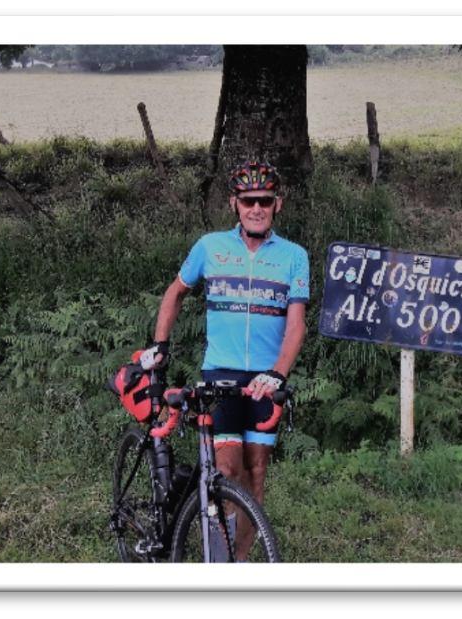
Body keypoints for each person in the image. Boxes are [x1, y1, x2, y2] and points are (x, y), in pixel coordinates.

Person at [139, 159, 309, 560]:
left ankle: (242, 566)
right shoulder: (210, 247)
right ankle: (218, 563)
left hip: (266, 378)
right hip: (221, 373)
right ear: (235, 203)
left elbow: (297, 325)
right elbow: (175, 292)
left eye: (264, 201)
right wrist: (161, 345)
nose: (256, 208)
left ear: (277, 204)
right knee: (227, 470)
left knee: (256, 474)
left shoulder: (293, 256)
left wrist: (278, 374)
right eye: (249, 200)